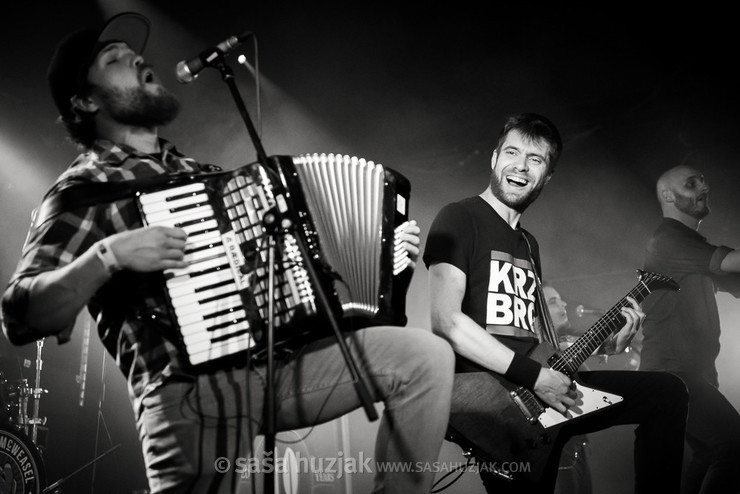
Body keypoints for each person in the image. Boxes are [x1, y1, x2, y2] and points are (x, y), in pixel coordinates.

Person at [0, 12, 455, 494]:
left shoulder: (204, 178)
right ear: (84, 100)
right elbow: (21, 315)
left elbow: (298, 285)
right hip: (185, 394)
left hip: (270, 370)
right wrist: (108, 256)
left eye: (133, 52)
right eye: (114, 59)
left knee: (425, 357)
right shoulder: (82, 189)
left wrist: (386, 261)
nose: (136, 57)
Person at [423, 112, 689, 493]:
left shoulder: (528, 246)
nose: (520, 166)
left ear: (547, 176)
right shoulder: (460, 217)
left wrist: (601, 349)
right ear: (494, 158)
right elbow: (446, 322)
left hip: (540, 394)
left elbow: (531, 340)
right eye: (512, 152)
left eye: (536, 159)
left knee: (667, 393)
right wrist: (539, 379)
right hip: (492, 401)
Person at [640, 164, 740, 493]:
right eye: (692, 183)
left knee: (711, 452)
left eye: (704, 179)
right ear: (668, 195)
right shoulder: (668, 240)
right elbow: (731, 262)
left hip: (692, 376)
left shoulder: (690, 246)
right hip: (675, 377)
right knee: (732, 447)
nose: (704, 186)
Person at [543, 281, 639, 494]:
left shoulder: (567, 344)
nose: (564, 304)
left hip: (576, 446)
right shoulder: (544, 349)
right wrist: (610, 346)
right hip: (555, 453)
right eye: (552, 301)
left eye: (560, 298)